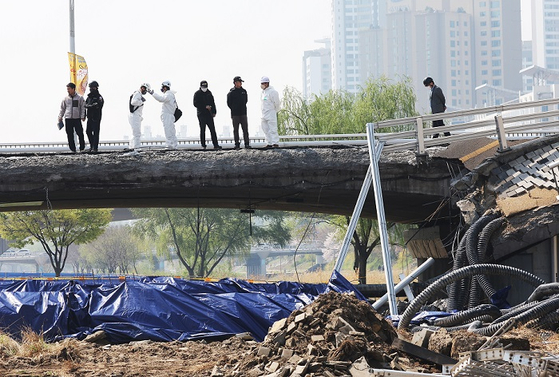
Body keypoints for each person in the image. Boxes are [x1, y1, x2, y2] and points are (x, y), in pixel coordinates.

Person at [148, 80, 178, 149]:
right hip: (170, 114)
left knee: (168, 130)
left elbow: (161, 99)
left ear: (165, 87)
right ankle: (174, 145)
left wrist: (153, 93)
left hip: (167, 115)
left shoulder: (168, 94)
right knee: (172, 130)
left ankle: (170, 145)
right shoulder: (171, 95)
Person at [193, 80, 222, 150]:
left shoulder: (209, 93)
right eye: (203, 86)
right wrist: (204, 106)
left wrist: (214, 111)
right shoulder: (197, 94)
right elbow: (195, 104)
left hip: (209, 114)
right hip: (201, 114)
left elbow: (213, 103)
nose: (204, 88)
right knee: (203, 129)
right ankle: (203, 145)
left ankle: (216, 144)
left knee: (212, 129)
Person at [58, 82, 86, 153]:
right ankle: (72, 149)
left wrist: (83, 116)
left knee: (80, 133)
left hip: (77, 118)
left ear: (73, 89)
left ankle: (82, 148)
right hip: (68, 118)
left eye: (69, 89)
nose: (68, 90)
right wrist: (60, 116)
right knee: (69, 134)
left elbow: (83, 107)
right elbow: (62, 108)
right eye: (67, 89)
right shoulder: (65, 99)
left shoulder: (80, 98)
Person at [227, 76, 250, 149]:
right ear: (235, 83)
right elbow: (229, 103)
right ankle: (237, 143)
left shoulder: (244, 91)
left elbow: (246, 101)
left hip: (243, 113)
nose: (240, 83)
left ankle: (247, 143)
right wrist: (234, 108)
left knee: (245, 129)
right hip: (235, 114)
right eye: (239, 82)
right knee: (236, 129)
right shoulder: (231, 92)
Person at [128, 83, 150, 154]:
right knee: (137, 133)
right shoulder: (137, 94)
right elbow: (133, 102)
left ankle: (132, 147)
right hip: (135, 115)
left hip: (135, 115)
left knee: (134, 133)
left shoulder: (138, 94)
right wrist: (141, 101)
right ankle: (136, 148)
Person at [260, 76, 281, 148]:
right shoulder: (263, 92)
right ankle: (269, 142)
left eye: (263, 83)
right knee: (265, 129)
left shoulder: (273, 92)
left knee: (273, 129)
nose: (261, 85)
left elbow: (277, 103)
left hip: (271, 112)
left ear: (266, 83)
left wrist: (276, 110)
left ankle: (275, 142)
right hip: (264, 113)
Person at [84, 81, 104, 153]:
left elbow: (98, 106)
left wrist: (90, 106)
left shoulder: (99, 97)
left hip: (96, 117)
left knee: (95, 133)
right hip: (89, 117)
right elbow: (85, 105)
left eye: (92, 87)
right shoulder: (89, 97)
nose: (91, 89)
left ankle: (95, 148)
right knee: (88, 131)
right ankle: (92, 146)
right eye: (90, 87)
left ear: (96, 88)